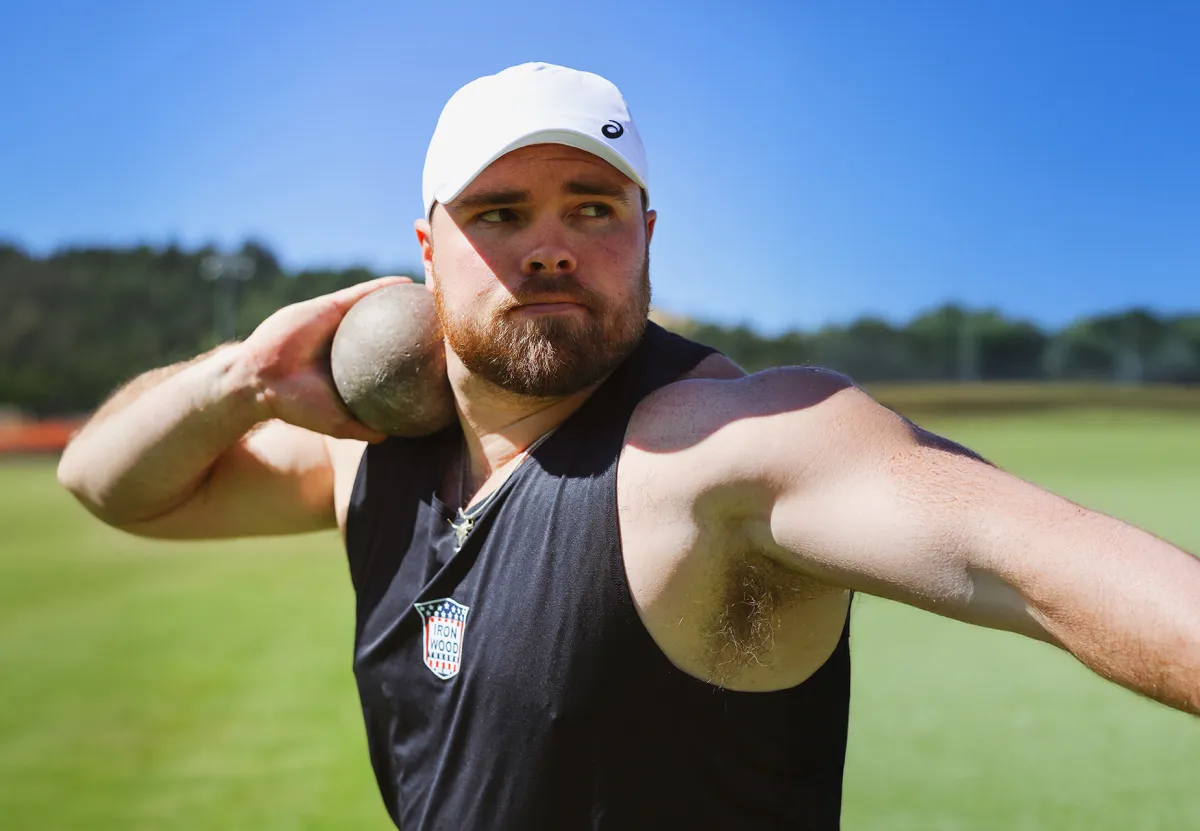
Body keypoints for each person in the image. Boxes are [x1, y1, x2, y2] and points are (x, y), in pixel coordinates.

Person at [59, 62, 1199, 830]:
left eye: (592, 208)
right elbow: (109, 483)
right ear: (426, 249)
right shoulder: (371, 451)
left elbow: (1037, 560)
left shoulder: (725, 450)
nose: (551, 247)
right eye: (500, 214)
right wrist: (245, 376)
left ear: (646, 234)